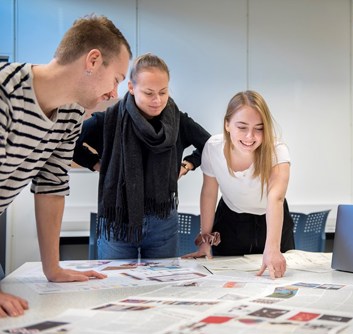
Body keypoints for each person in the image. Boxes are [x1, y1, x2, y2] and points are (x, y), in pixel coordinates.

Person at [0, 14, 131, 317]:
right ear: (93, 60)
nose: (114, 94)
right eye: (117, 79)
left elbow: (51, 186)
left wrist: (53, 268)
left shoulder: (72, 114)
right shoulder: (5, 93)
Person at [73, 53, 210, 260]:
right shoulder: (108, 121)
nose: (157, 100)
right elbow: (71, 143)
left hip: (163, 221)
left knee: (161, 288)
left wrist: (187, 165)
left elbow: (210, 146)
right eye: (148, 93)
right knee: (115, 288)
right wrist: (99, 165)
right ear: (131, 87)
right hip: (118, 220)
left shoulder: (178, 121)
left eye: (163, 92)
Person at [183, 90, 294, 279]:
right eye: (242, 127)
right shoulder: (213, 147)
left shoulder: (277, 150)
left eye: (259, 128)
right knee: (226, 277)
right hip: (231, 219)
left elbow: (276, 198)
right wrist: (204, 241)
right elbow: (209, 193)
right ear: (227, 124)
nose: (250, 136)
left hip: (272, 220)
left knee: (276, 278)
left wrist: (273, 248)